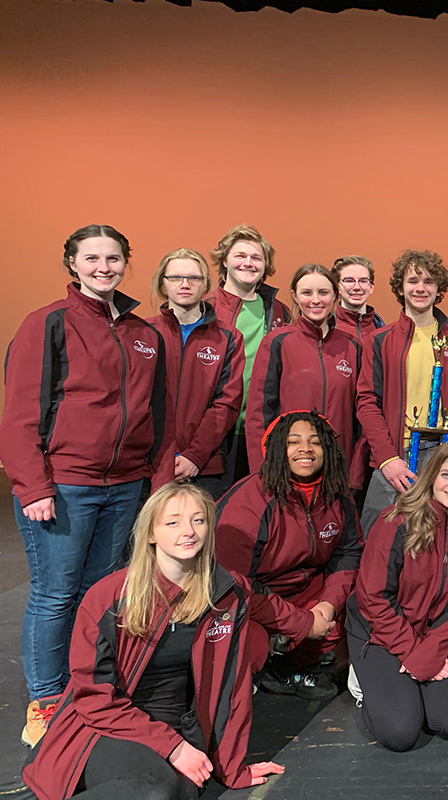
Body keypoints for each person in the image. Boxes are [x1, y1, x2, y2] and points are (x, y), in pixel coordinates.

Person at [20, 482, 327, 800]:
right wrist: (174, 747)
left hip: (178, 729)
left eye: (198, 520)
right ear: (151, 533)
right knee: (155, 792)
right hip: (108, 728)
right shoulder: (108, 598)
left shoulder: (226, 592)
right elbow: (95, 700)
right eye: (173, 522)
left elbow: (234, 691)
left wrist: (232, 769)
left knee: (182, 792)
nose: (189, 531)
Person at [0, 225, 170, 746]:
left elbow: (154, 418)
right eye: (91, 258)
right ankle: (47, 702)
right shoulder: (47, 323)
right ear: (72, 264)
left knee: (99, 596)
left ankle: (88, 692)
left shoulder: (145, 334)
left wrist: (153, 484)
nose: (104, 267)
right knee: (55, 595)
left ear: (126, 263)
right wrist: (34, 487)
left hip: (123, 488)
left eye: (114, 258)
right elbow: (19, 416)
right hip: (65, 485)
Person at [345, 440, 448, 752]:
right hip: (379, 631)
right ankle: (365, 681)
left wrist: (431, 649)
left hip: (430, 632)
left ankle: (405, 687)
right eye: (446, 475)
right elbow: (373, 598)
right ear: (431, 476)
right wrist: (413, 653)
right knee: (401, 733)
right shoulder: (395, 522)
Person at [216, 411, 361, 699]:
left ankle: (290, 664)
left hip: (303, 591)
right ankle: (263, 661)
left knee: (356, 602)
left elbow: (349, 554)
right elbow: (230, 584)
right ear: (276, 449)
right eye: (293, 442)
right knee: (249, 643)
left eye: (315, 442)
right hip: (251, 598)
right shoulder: (249, 502)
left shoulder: (338, 496)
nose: (305, 449)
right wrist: (301, 623)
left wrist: (327, 606)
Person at [356, 249, 448, 533]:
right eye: (412, 281)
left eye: (428, 282)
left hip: (444, 457)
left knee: (437, 540)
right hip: (396, 456)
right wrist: (387, 459)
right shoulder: (379, 340)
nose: (420, 288)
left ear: (439, 290)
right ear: (400, 287)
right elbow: (367, 402)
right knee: (378, 539)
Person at [245, 264, 363, 488]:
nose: (315, 300)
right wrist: (264, 471)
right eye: (307, 293)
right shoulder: (277, 342)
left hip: (337, 472)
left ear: (335, 296)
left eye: (323, 292)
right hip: (289, 469)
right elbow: (259, 413)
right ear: (295, 296)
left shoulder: (353, 347)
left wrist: (354, 475)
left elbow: (361, 416)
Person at [148, 248, 245, 499]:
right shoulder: (143, 332)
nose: (185, 284)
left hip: (205, 466)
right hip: (148, 465)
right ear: (163, 283)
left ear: (205, 285)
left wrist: (195, 455)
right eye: (176, 277)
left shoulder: (228, 337)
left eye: (194, 278)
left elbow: (227, 404)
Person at [208, 224, 291, 486]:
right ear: (225, 260)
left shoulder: (280, 311)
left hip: (262, 430)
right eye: (240, 256)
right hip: (217, 434)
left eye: (256, 258)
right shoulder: (206, 309)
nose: (248, 263)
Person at [331, 255, 385, 340]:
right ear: (337, 287)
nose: (357, 287)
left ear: (371, 287)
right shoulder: (325, 328)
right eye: (349, 280)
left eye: (363, 281)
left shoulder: (382, 330)